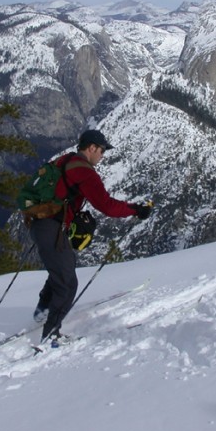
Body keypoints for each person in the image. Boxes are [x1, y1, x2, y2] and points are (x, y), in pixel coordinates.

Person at [31, 129, 153, 344]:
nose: (103, 155)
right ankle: (51, 335)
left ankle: (42, 309)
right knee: (67, 283)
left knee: (63, 266)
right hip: (52, 226)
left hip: (42, 221)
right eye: (102, 150)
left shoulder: (65, 159)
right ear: (92, 148)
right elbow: (106, 205)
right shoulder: (84, 171)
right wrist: (134, 209)